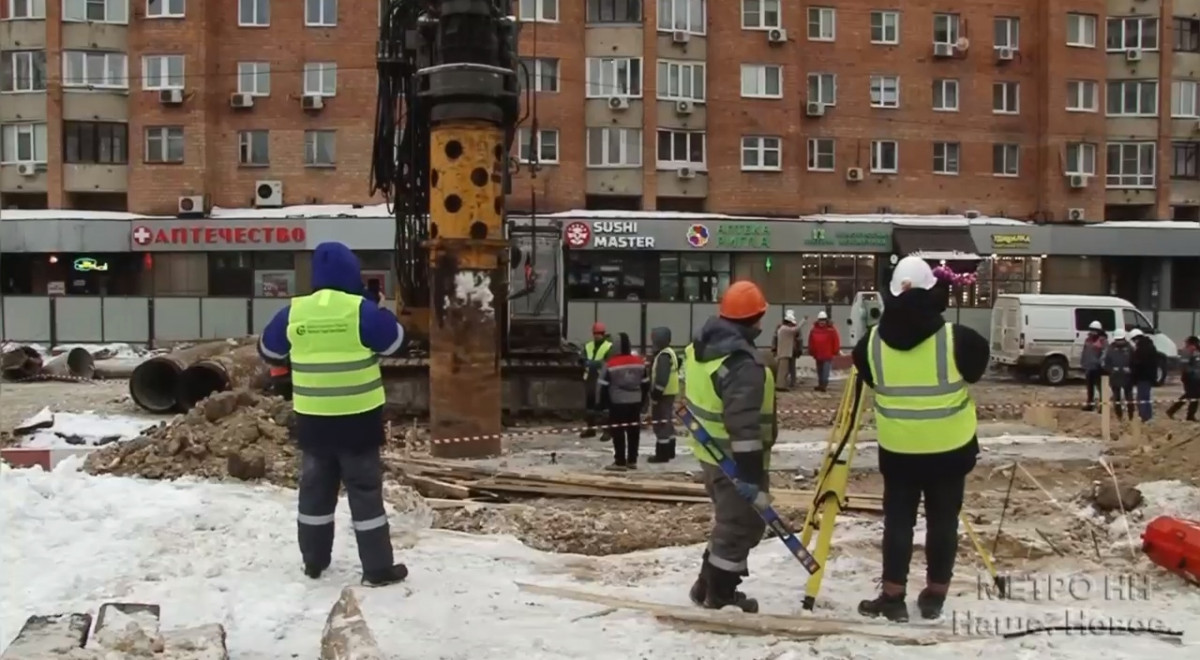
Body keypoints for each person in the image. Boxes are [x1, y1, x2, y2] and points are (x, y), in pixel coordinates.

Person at [258, 241, 409, 587]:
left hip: (313, 422)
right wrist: (377, 309)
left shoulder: (293, 312)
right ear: (353, 274)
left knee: (314, 491)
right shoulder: (361, 311)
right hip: (359, 421)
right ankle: (377, 568)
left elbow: (269, 350)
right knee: (364, 492)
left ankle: (313, 562)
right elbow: (397, 343)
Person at [851, 256, 989, 622]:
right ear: (933, 290)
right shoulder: (958, 339)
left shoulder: (869, 344)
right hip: (950, 450)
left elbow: (868, 377)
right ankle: (934, 596)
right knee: (943, 522)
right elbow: (976, 370)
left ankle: (893, 597)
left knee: (898, 523)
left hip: (899, 452)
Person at [684, 280, 777, 614]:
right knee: (741, 525)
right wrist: (750, 475)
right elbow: (744, 426)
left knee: (733, 522)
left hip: (711, 453)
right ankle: (720, 593)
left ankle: (706, 584)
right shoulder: (742, 363)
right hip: (735, 460)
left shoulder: (700, 347)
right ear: (757, 318)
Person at [597, 332, 649, 470]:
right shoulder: (639, 362)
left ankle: (620, 461)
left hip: (617, 402)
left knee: (618, 431)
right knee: (633, 431)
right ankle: (632, 460)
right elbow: (645, 384)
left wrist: (602, 406)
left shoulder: (610, 364)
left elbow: (602, 386)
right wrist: (643, 403)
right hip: (635, 401)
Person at [648, 327, 680, 463]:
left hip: (663, 394)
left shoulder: (663, 356)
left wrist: (655, 395)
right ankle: (670, 451)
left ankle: (662, 454)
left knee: (661, 423)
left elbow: (661, 378)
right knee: (667, 423)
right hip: (669, 393)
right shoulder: (670, 353)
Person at [580, 322, 614, 439]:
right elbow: (582, 358)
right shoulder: (588, 346)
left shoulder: (609, 346)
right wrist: (584, 362)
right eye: (595, 333)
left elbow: (609, 362)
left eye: (599, 333)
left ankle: (607, 431)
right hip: (590, 378)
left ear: (603, 334)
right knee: (590, 406)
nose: (597, 335)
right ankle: (591, 429)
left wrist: (596, 363)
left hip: (602, 380)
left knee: (604, 406)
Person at [1103, 329, 1135, 420]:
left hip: (1127, 378)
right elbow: (1106, 363)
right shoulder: (1111, 348)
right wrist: (1112, 370)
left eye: (1120, 340)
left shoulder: (1130, 348)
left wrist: (1130, 369)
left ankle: (1131, 417)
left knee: (1129, 398)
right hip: (1115, 378)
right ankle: (1119, 417)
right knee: (1116, 398)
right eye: (1117, 340)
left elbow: (1135, 362)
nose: (1119, 342)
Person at [1167, 336, 1200, 421]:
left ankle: (1189, 415)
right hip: (1190, 378)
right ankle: (1173, 411)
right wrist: (1191, 373)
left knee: (1193, 396)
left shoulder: (1196, 351)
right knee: (1191, 395)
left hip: (1196, 378)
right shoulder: (1188, 350)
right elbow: (1184, 365)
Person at [808, 310, 841, 392]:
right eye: (820, 320)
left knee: (825, 371)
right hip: (818, 354)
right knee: (819, 371)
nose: (822, 322)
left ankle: (824, 385)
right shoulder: (814, 330)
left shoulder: (831, 330)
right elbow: (811, 341)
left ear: (826, 320)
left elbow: (835, 341)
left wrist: (835, 351)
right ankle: (820, 384)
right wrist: (811, 351)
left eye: (823, 320)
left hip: (827, 354)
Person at [1130, 328, 1157, 422]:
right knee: (1146, 397)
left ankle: (1144, 417)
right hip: (1149, 377)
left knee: (1142, 398)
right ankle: (1147, 416)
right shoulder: (1150, 346)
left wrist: (1134, 375)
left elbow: (1138, 363)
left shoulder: (1141, 349)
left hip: (1142, 377)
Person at [1081, 321, 1107, 411]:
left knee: (1100, 388)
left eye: (1095, 330)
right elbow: (1085, 352)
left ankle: (1103, 406)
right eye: (1091, 330)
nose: (1093, 332)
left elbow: (1105, 353)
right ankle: (1090, 404)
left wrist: (1101, 363)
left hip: (1098, 368)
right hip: (1089, 367)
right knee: (1090, 388)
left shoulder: (1102, 341)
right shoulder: (1088, 340)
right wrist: (1083, 363)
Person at [773, 311, 800, 390]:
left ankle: (781, 384)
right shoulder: (785, 329)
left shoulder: (781, 328)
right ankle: (781, 386)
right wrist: (803, 321)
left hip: (783, 352)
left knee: (783, 370)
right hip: (784, 353)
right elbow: (796, 329)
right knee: (783, 371)